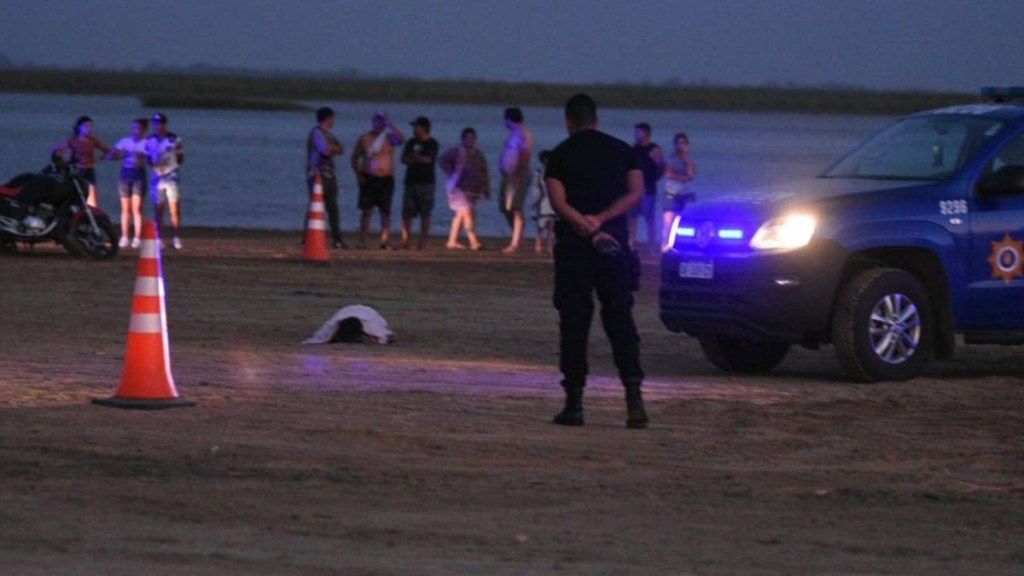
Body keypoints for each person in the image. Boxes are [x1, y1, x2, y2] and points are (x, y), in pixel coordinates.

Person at [544, 93, 648, 429]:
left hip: (575, 249)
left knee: (574, 323)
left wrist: (584, 225)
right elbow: (636, 193)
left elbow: (558, 202)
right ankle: (634, 400)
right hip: (614, 246)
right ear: (596, 119)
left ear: (568, 121)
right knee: (620, 319)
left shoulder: (560, 155)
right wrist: (603, 220)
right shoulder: (623, 151)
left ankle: (574, 404)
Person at [351, 111, 406, 249]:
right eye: (377, 121)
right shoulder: (364, 138)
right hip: (369, 179)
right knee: (366, 211)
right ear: (372, 122)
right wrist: (359, 176)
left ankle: (384, 240)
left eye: (382, 122)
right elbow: (354, 158)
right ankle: (363, 240)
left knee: (385, 211)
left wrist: (390, 124)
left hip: (386, 179)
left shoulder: (389, 138)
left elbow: (402, 140)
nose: (379, 124)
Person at [438, 127, 489, 250]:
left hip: (472, 189)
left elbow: (484, 171)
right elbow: (441, 160)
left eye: (472, 138)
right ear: (463, 138)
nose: (470, 140)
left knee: (461, 214)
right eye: (468, 138)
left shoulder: (478, 153)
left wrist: (486, 187)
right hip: (458, 188)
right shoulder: (457, 151)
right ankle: (473, 241)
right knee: (467, 213)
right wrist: (450, 172)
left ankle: (452, 240)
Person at [306, 106, 346, 248]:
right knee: (316, 206)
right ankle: (307, 238)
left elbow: (341, 148)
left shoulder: (329, 134)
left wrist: (333, 148)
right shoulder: (316, 133)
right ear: (328, 119)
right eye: (332, 118)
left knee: (333, 208)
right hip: (317, 175)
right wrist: (333, 149)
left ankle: (337, 239)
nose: (334, 121)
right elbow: (325, 151)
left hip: (330, 174)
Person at [51, 115, 111, 208]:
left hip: (90, 169)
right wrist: (63, 159)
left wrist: (99, 158)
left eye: (91, 126)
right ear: (80, 127)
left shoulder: (93, 140)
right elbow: (56, 149)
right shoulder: (73, 141)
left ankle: (92, 213)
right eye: (86, 126)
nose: (89, 129)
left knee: (92, 194)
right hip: (78, 170)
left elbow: (107, 150)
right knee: (78, 193)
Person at [398, 116, 439, 250]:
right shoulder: (411, 142)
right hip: (411, 181)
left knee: (425, 213)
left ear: (423, 128)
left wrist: (415, 158)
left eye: (417, 127)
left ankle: (423, 241)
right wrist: (416, 159)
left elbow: (428, 160)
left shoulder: (432, 143)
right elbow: (404, 159)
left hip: (426, 182)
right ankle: (405, 240)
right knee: (407, 213)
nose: (414, 129)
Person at [108, 118, 149, 249]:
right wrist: (120, 155)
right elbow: (111, 155)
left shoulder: (147, 143)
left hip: (138, 174)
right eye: (134, 128)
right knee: (125, 209)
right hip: (125, 174)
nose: (136, 131)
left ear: (144, 130)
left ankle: (137, 238)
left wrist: (143, 157)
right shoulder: (125, 142)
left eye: (139, 129)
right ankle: (125, 236)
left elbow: (153, 158)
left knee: (137, 208)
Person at [145, 112, 185, 249]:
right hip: (157, 176)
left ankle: (176, 237)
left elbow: (181, 158)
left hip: (171, 175)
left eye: (159, 123)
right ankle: (159, 238)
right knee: (158, 209)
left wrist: (172, 164)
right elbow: (148, 159)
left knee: (174, 208)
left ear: (164, 124)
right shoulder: (150, 140)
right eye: (155, 124)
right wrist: (154, 161)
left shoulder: (174, 139)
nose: (157, 126)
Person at [498, 107, 534, 254]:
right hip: (508, 175)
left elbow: (525, 155)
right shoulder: (514, 134)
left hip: (518, 175)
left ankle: (515, 243)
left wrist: (518, 176)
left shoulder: (524, 134)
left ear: (509, 119)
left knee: (516, 207)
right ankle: (519, 238)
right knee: (504, 207)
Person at [629, 122, 665, 256]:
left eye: (638, 132)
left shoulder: (654, 149)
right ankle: (631, 243)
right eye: (636, 132)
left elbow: (661, 167)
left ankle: (651, 246)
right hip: (634, 188)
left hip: (649, 189)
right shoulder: (634, 149)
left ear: (646, 133)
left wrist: (653, 179)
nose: (636, 135)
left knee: (650, 219)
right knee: (632, 217)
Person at [661, 131, 697, 249]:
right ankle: (665, 246)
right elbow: (669, 174)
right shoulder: (670, 158)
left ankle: (685, 245)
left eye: (683, 143)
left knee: (688, 222)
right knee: (668, 223)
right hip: (671, 193)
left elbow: (691, 175)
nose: (680, 145)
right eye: (678, 143)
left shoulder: (690, 158)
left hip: (687, 193)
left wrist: (686, 159)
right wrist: (683, 177)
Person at [530, 149, 555, 255]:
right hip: (544, 200)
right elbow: (536, 188)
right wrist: (535, 201)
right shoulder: (539, 172)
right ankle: (539, 246)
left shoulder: (549, 172)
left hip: (550, 201)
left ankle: (546, 246)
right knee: (542, 225)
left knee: (549, 225)